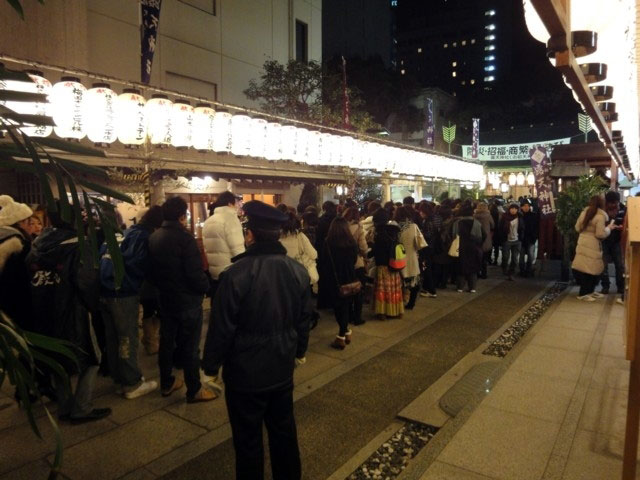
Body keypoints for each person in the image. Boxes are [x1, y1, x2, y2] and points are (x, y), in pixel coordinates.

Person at [202, 200, 312, 480]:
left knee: (248, 441)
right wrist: (299, 351)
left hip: (244, 373)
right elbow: (303, 319)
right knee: (284, 433)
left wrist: (211, 367)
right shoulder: (297, 271)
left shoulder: (236, 274)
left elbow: (221, 326)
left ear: (250, 235)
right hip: (281, 367)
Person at [28, 209, 111, 423]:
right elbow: (87, 281)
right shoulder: (79, 245)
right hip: (75, 311)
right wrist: (95, 307)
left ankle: (64, 406)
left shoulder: (38, 244)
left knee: (58, 358)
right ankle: (82, 408)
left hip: (44, 311)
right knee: (92, 360)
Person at [148, 196, 215, 403]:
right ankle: (194, 389)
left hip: (166, 299)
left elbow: (150, 272)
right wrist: (205, 287)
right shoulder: (185, 239)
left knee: (167, 343)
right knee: (190, 346)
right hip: (187, 300)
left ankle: (166, 383)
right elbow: (195, 274)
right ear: (181, 215)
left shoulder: (154, 236)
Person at [98, 206, 163, 399]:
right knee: (127, 337)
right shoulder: (142, 238)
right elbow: (137, 263)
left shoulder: (124, 233)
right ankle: (131, 383)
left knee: (113, 338)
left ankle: (119, 380)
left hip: (104, 291)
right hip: (123, 293)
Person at [203, 191, 245, 303]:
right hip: (231, 275)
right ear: (230, 203)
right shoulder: (230, 219)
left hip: (215, 274)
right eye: (235, 203)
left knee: (218, 309)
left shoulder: (208, 221)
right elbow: (238, 250)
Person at [324, 216, 359, 348]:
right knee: (345, 306)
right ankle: (346, 331)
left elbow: (325, 262)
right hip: (349, 277)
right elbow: (354, 260)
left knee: (338, 307)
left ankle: (341, 336)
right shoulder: (352, 243)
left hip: (334, 279)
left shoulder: (328, 243)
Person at [0, 195, 34, 330]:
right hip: (12, 307)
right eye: (30, 223)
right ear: (21, 223)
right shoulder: (19, 245)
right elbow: (20, 284)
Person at [572, 195, 614, 301]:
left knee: (587, 268)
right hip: (593, 244)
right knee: (590, 269)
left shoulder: (584, 213)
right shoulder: (600, 217)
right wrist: (609, 229)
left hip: (582, 242)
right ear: (602, 204)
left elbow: (577, 227)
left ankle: (589, 291)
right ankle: (583, 294)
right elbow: (600, 234)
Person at [371, 209, 404, 319]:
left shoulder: (379, 233)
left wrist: (369, 251)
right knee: (394, 288)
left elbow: (377, 250)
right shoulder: (394, 231)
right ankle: (396, 311)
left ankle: (383, 312)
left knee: (383, 289)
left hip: (382, 265)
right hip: (394, 264)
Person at [395, 206, 427, 309]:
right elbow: (419, 244)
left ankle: (397, 304)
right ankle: (411, 303)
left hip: (398, 256)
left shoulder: (394, 226)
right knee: (413, 282)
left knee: (398, 283)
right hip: (412, 256)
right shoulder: (413, 226)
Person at [343, 207, 368, 325]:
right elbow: (363, 247)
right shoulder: (358, 228)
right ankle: (357, 317)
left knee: (347, 289)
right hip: (357, 262)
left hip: (344, 263)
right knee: (358, 290)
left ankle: (348, 315)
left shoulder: (341, 227)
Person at [599, 191, 625, 301]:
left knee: (619, 265)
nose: (612, 205)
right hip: (604, 239)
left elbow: (627, 223)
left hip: (617, 240)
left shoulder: (624, 209)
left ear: (618, 201)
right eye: (610, 203)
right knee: (603, 264)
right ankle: (605, 286)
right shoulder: (602, 210)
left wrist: (621, 227)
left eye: (615, 203)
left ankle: (620, 286)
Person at [279, 211, 319, 285]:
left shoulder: (277, 239)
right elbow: (314, 254)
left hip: (283, 278)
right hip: (300, 277)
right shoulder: (300, 236)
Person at [452, 204, 485, 292]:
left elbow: (453, 235)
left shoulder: (457, 223)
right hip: (473, 247)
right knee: (473, 268)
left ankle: (460, 287)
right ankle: (472, 287)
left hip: (460, 247)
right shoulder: (477, 223)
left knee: (460, 267)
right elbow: (482, 236)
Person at [315, 201, 337, 309]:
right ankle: (333, 302)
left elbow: (318, 239)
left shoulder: (321, 221)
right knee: (334, 278)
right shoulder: (337, 220)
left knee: (323, 278)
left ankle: (323, 302)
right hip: (335, 252)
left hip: (322, 252)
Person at [498, 203, 523, 281]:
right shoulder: (504, 217)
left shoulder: (520, 217)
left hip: (517, 240)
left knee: (515, 258)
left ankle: (511, 273)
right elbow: (500, 228)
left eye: (515, 209)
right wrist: (501, 238)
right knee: (505, 257)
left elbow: (522, 228)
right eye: (512, 208)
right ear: (509, 209)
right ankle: (504, 269)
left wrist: (521, 237)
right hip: (507, 240)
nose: (513, 210)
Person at [473, 201, 494, 279]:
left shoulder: (474, 215)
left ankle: (477, 272)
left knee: (477, 258)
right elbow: (493, 225)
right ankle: (484, 274)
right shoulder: (488, 216)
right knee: (484, 258)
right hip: (486, 238)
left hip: (476, 238)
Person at [519, 199, 539, 277]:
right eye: (524, 206)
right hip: (522, 239)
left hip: (531, 239)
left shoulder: (534, 215)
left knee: (530, 256)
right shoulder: (519, 216)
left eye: (528, 206)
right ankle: (522, 270)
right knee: (521, 256)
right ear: (521, 207)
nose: (526, 207)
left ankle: (528, 270)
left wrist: (535, 236)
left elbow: (536, 227)